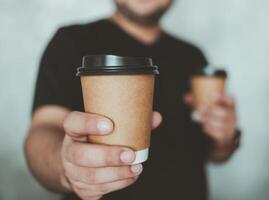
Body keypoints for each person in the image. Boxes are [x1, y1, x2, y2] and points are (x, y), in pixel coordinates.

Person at [24, 0, 241, 200]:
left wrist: (224, 141)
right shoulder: (71, 42)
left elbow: (206, 152)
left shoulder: (193, 55)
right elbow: (43, 129)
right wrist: (66, 167)